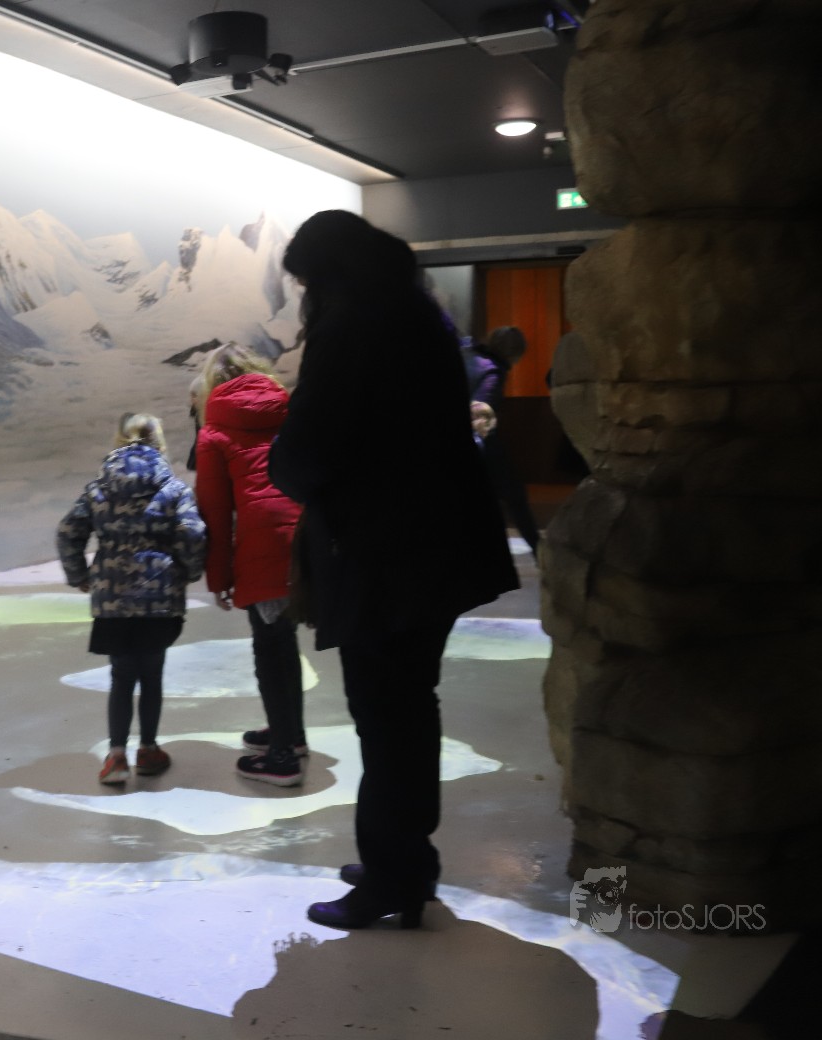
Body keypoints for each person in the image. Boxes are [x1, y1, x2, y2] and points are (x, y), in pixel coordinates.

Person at [269, 210, 518, 929]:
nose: (306, 296)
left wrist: (285, 466)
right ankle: (405, 861)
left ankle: (393, 878)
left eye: (307, 282)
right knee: (409, 708)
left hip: (383, 556)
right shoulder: (419, 317)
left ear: (328, 275)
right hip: (433, 549)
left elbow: (309, 448)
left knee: (387, 717)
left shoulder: (351, 328)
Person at [57, 414, 206, 785]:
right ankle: (149, 750)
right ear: (159, 442)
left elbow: (68, 532)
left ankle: (116, 757)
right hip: (159, 599)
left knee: (121, 676)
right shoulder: (173, 488)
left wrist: (79, 576)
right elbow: (192, 532)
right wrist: (188, 571)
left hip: (112, 600)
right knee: (152, 674)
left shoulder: (98, 488)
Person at [192, 344, 307, 786]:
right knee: (284, 640)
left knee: (269, 647)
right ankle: (290, 734)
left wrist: (218, 578)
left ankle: (282, 758)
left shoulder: (215, 432)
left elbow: (216, 513)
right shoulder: (288, 410)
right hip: (302, 537)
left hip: (261, 543)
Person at [462, 326, 541, 556]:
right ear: (514, 354)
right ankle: (539, 551)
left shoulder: (469, 355)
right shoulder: (493, 372)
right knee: (515, 496)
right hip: (482, 445)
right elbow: (480, 413)